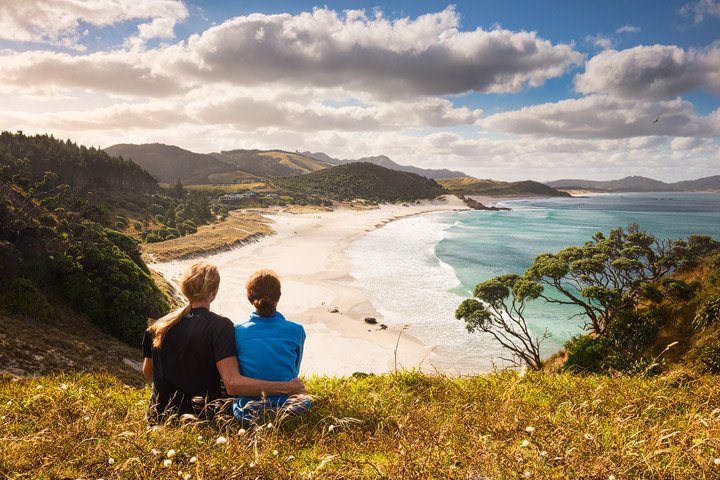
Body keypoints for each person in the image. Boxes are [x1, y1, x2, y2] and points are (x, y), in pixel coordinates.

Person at [142, 261, 304, 422]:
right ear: (214, 292)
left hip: (158, 416)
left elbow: (148, 372)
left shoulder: (159, 326)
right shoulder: (220, 326)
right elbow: (232, 384)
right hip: (202, 417)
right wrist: (286, 388)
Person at [233, 269, 309, 423]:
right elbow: (295, 369)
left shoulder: (237, 331)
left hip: (248, 411)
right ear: (278, 297)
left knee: (236, 404)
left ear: (250, 298)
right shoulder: (296, 330)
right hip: (290, 406)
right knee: (304, 401)